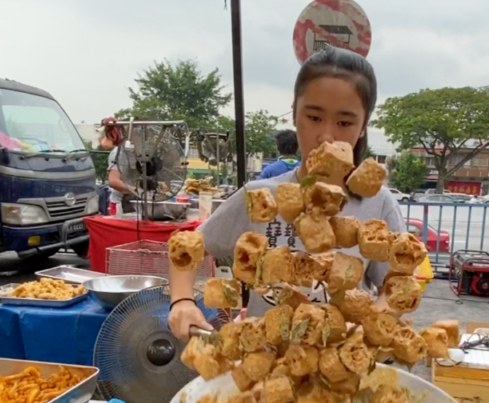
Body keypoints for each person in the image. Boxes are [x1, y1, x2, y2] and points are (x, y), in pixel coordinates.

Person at [168, 46, 406, 340]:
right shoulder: (259, 195)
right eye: (314, 117)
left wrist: (361, 329)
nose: (326, 136)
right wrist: (181, 300)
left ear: (362, 126)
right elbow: (189, 246)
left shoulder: (378, 205)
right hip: (264, 368)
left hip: (343, 371)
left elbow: (396, 289)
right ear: (294, 114)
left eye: (344, 122)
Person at [98, 117, 133, 215]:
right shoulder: (117, 153)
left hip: (129, 202)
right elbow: (114, 181)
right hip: (119, 204)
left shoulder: (123, 151)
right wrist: (135, 190)